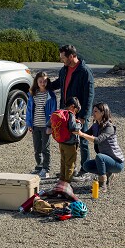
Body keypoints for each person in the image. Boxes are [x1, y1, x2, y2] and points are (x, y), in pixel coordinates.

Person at [47, 44, 95, 180]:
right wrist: (45, 84)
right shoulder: (64, 70)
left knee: (83, 141)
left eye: (63, 57)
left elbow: (89, 95)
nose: (61, 60)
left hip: (78, 114)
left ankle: (85, 170)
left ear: (72, 56)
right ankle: (67, 170)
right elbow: (59, 83)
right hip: (65, 113)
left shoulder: (85, 72)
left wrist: (84, 116)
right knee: (66, 140)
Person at [77, 102, 125, 190]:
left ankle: (103, 184)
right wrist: (76, 128)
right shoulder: (95, 126)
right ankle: (107, 173)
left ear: (102, 113)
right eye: (93, 111)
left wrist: (82, 134)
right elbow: (84, 134)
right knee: (86, 166)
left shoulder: (109, 127)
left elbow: (98, 140)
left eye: (95, 111)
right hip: (106, 160)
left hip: (117, 163)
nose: (93, 113)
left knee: (99, 157)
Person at [25, 71, 57, 179]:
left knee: (45, 148)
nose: (43, 83)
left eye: (45, 81)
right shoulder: (32, 94)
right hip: (35, 125)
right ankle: (39, 167)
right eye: (40, 81)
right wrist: (29, 124)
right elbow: (29, 110)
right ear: (36, 82)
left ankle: (46, 169)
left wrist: (50, 126)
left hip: (45, 126)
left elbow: (54, 112)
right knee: (37, 148)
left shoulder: (51, 95)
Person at [56, 97, 82, 183]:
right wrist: (79, 124)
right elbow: (73, 128)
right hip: (70, 144)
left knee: (63, 162)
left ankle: (61, 181)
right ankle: (67, 184)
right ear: (72, 106)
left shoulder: (60, 112)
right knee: (70, 164)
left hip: (61, 142)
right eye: (76, 110)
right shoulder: (70, 114)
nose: (75, 113)